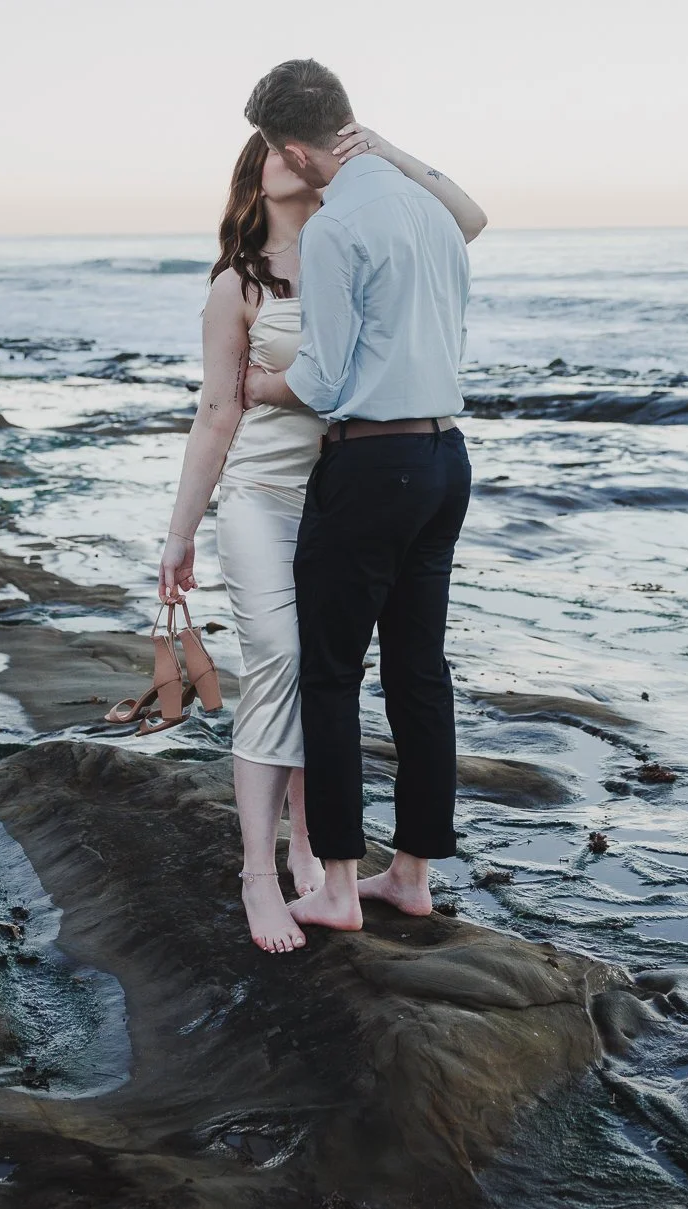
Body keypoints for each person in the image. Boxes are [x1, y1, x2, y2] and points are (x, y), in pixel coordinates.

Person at [159, 94, 486, 953]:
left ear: (298, 155)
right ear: (259, 176)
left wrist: (395, 152)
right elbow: (213, 416)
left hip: (349, 485)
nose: (275, 153)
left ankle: (321, 854)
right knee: (295, 669)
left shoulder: (360, 236)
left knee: (345, 674)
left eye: (279, 142)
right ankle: (261, 873)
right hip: (269, 499)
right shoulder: (239, 282)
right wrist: (179, 532)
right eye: (260, 148)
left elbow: (466, 220)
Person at [237, 59, 477, 934]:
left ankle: (339, 886)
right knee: (420, 672)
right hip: (447, 460)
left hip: (372, 464)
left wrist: (263, 387)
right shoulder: (434, 213)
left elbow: (325, 378)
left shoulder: (339, 228)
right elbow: (475, 214)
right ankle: (411, 873)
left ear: (295, 151)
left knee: (331, 674)